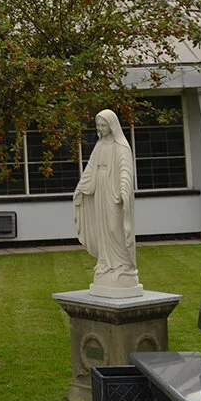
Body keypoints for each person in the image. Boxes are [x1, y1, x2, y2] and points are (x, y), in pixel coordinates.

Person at [73, 109, 142, 296]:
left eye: (103, 125)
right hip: (100, 191)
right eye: (98, 126)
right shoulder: (100, 145)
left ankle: (123, 265)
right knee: (103, 228)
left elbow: (126, 170)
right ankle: (106, 263)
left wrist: (123, 189)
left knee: (114, 228)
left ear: (112, 126)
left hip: (113, 193)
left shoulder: (121, 147)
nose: (101, 129)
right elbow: (90, 167)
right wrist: (81, 187)